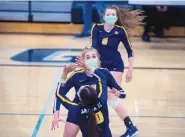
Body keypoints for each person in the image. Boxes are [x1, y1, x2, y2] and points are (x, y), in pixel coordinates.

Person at [51, 48, 137, 137]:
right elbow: (60, 94)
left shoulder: (104, 73)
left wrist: (117, 93)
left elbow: (123, 94)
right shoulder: (76, 75)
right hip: (78, 112)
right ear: (83, 61)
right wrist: (56, 115)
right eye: (88, 58)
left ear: (98, 59)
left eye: (94, 56)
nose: (91, 59)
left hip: (89, 111)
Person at [90, 5, 144, 137]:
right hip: (101, 67)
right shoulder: (96, 28)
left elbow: (130, 51)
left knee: (111, 96)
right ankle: (98, 127)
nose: (110, 17)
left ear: (116, 18)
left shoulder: (120, 31)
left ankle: (131, 127)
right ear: (103, 17)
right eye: (108, 14)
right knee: (99, 97)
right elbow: (93, 48)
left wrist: (130, 70)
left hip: (115, 66)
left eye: (113, 15)